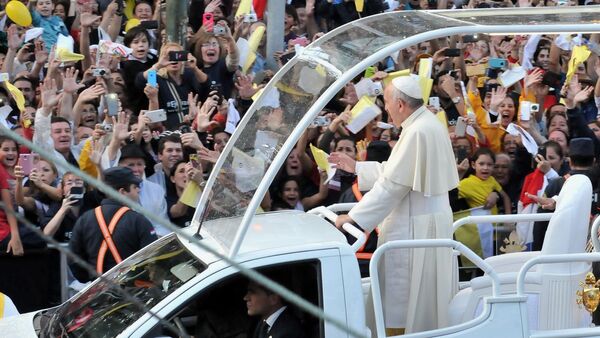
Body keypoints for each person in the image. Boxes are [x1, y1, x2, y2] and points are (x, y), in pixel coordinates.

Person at [332, 74, 459, 334]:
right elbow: (398, 170)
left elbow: (393, 185)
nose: (386, 108)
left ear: (400, 104)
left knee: (400, 301)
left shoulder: (417, 131)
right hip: (424, 221)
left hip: (413, 227)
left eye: (388, 103)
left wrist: (354, 218)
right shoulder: (425, 123)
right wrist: (356, 167)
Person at [69, 167, 157, 282]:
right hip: (135, 290)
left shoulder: (84, 219)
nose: (138, 191)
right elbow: (154, 256)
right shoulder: (138, 220)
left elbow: (73, 257)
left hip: (99, 292)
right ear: (122, 192)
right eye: (135, 187)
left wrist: (86, 277)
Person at [244, 272, 304, 338]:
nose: (245, 298)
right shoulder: (262, 323)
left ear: (273, 299)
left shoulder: (289, 331)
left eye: (252, 292)